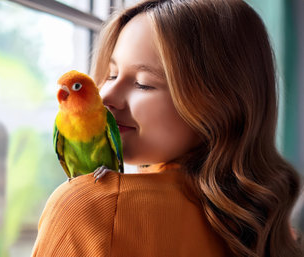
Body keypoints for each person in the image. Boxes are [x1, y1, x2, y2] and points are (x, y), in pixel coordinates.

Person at [31, 0, 303, 256]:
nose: (107, 96)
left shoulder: (89, 206)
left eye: (143, 83)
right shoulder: (259, 222)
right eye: (111, 74)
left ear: (218, 105)